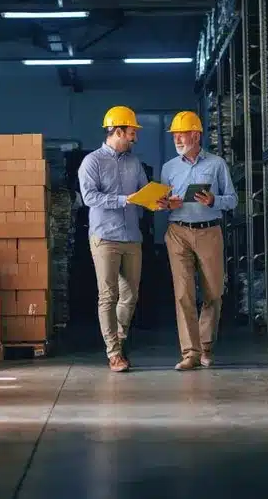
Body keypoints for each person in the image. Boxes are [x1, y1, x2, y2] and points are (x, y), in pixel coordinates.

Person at [157, 110, 238, 370]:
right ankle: (190, 353)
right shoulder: (168, 168)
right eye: (175, 136)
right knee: (183, 294)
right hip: (177, 232)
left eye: (182, 134)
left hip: (209, 231)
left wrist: (214, 200)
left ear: (196, 135)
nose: (178, 139)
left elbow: (233, 199)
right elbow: (161, 202)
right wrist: (166, 204)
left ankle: (206, 347)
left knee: (214, 292)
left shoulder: (216, 165)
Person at [78, 105, 149, 372]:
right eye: (132, 132)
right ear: (118, 131)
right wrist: (123, 200)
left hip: (132, 235)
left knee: (130, 296)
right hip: (105, 237)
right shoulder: (92, 162)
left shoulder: (135, 162)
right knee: (107, 295)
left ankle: (118, 339)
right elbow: (90, 198)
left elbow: (143, 192)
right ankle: (113, 353)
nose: (135, 138)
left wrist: (161, 200)